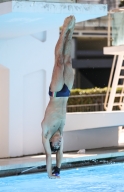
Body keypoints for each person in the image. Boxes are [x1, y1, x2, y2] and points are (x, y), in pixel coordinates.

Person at [41, 16, 75, 179]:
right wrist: (58, 170)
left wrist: (50, 173)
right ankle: (70, 33)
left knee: (59, 62)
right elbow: (60, 155)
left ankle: (63, 31)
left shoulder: (46, 132)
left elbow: (50, 156)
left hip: (55, 93)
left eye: (57, 144)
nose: (60, 141)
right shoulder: (60, 131)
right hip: (66, 92)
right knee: (68, 61)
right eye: (60, 144)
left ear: (51, 143)